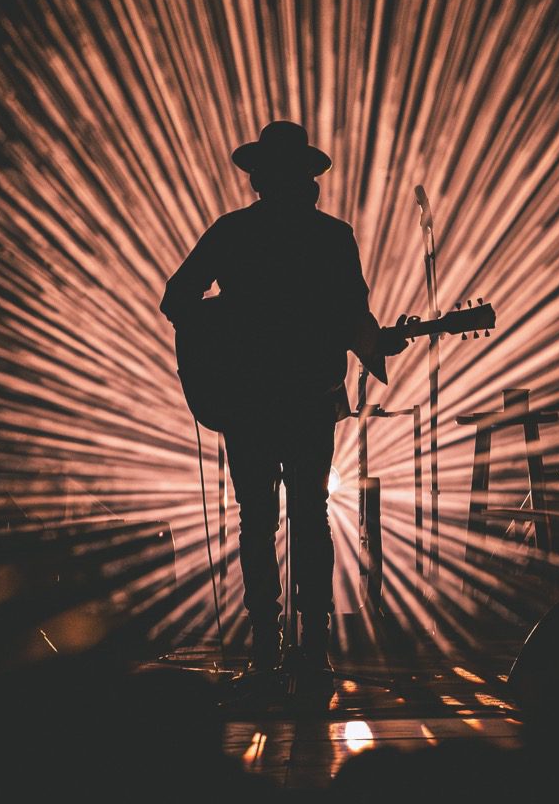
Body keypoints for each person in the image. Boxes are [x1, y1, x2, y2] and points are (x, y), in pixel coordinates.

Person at [160, 121, 407, 705]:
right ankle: (313, 651)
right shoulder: (332, 237)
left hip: (248, 401)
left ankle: (266, 652)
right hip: (307, 398)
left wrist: (223, 330)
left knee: (257, 520)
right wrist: (372, 344)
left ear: (257, 179)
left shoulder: (232, 232)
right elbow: (354, 317)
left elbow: (177, 300)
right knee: (309, 517)